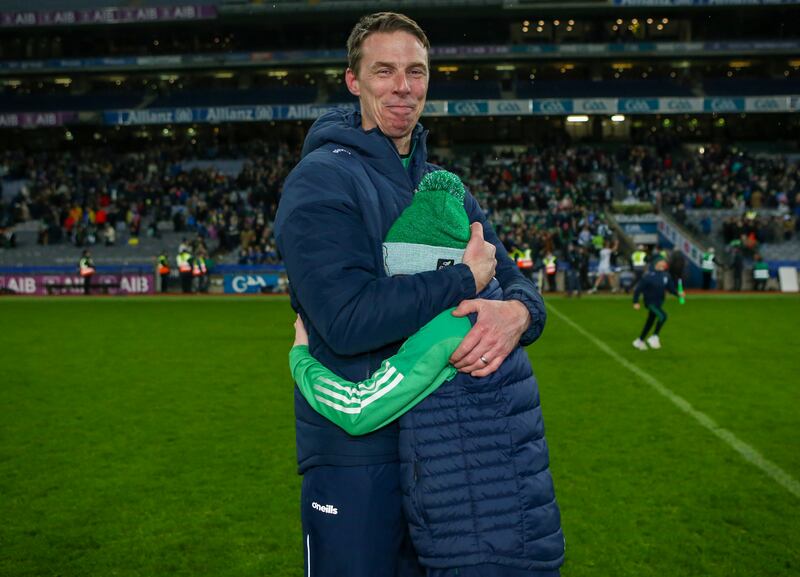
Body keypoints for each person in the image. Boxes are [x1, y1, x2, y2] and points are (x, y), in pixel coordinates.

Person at [274, 12, 546, 577]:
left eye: (416, 71)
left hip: (449, 455)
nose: (404, 87)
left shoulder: (441, 187)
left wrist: (517, 313)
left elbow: (513, 276)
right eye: (385, 71)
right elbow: (345, 320)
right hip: (357, 454)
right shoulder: (321, 178)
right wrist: (461, 283)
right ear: (354, 81)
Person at [289, 171, 564, 576]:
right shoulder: (493, 312)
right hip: (517, 527)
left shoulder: (444, 330)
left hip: (476, 543)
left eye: (402, 273)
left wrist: (300, 358)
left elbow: (359, 407)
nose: (399, 286)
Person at [632, 257, 684, 350]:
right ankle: (654, 336)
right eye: (662, 261)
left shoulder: (666, 275)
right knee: (663, 316)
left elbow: (670, 289)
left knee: (650, 322)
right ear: (657, 263)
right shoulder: (648, 276)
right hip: (650, 302)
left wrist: (678, 294)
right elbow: (638, 290)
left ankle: (639, 341)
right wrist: (635, 302)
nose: (664, 262)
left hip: (659, 302)